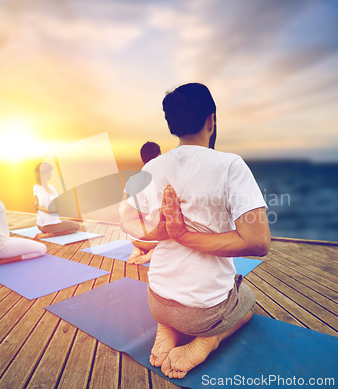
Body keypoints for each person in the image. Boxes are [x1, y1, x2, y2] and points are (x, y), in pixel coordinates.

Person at [120, 83, 271, 379]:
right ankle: (208, 340)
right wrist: (182, 235)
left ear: (172, 124)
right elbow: (259, 242)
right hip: (204, 312)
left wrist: (160, 230)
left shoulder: (151, 167)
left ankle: (168, 326)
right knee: (249, 302)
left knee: (175, 308)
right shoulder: (230, 165)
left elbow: (128, 223)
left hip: (157, 299)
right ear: (211, 120)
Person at [126, 142, 162, 265]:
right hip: (153, 240)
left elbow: (124, 212)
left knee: (141, 219)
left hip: (133, 238)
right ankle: (152, 252)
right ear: (159, 156)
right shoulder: (160, 179)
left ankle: (138, 248)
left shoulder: (133, 180)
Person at [32, 162, 80, 240]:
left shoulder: (35, 187)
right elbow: (54, 210)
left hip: (39, 225)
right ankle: (50, 234)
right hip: (49, 226)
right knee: (76, 226)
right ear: (45, 174)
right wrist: (38, 207)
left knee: (63, 222)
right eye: (49, 172)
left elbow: (35, 207)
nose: (51, 175)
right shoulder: (51, 189)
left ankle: (44, 232)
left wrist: (37, 207)